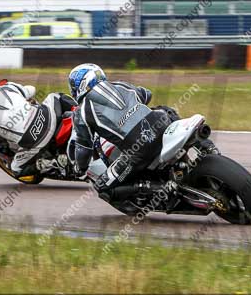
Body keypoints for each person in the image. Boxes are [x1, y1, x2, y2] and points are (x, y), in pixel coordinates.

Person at [66, 63, 172, 202]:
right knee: (165, 110)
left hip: (138, 148)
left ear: (80, 85)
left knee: (102, 186)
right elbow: (146, 94)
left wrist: (80, 169)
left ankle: (165, 189)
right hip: (161, 121)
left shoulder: (82, 112)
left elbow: (84, 147)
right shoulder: (120, 85)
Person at [0, 71, 72, 176]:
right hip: (47, 116)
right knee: (56, 96)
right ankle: (80, 111)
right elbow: (31, 89)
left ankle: (51, 163)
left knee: (16, 168)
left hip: (34, 141)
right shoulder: (7, 87)